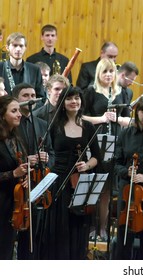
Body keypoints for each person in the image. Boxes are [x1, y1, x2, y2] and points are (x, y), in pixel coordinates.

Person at [41, 86, 100, 259]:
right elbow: (47, 152)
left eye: (77, 98)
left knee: (77, 225)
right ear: (63, 102)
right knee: (59, 227)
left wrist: (87, 166)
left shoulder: (88, 126)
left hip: (79, 182)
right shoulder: (53, 125)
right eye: (69, 98)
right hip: (58, 180)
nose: (74, 102)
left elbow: (97, 157)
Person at [82, 58, 130, 242]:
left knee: (107, 191)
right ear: (98, 74)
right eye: (105, 72)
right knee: (95, 187)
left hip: (115, 144)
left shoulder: (122, 93)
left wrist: (117, 119)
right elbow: (82, 116)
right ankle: (91, 227)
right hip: (96, 143)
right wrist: (101, 118)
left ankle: (103, 228)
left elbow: (128, 120)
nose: (109, 75)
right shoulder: (91, 91)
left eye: (111, 72)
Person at [114, 95, 143, 259]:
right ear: (137, 112)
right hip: (127, 191)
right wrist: (126, 172)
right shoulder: (125, 134)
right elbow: (116, 162)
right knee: (124, 234)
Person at [11, 83, 55, 259]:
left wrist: (47, 158)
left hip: (38, 184)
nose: (30, 99)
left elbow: (52, 153)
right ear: (16, 100)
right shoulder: (12, 123)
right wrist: (25, 161)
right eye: (25, 96)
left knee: (34, 237)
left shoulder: (42, 124)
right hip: (17, 185)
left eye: (33, 95)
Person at [0, 95, 26, 259]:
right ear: (2, 114)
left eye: (19, 110)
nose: (19, 114)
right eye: (14, 111)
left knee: (7, 248)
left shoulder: (16, 137)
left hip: (13, 201)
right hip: (1, 201)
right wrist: (13, 174)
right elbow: (12, 171)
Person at [0, 33, 45, 105]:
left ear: (25, 48)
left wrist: (30, 109)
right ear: (7, 48)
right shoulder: (0, 67)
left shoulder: (34, 70)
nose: (18, 49)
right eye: (15, 45)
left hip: (29, 112)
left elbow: (41, 98)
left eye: (21, 46)